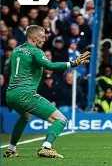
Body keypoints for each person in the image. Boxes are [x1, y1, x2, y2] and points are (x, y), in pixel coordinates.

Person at [3, 25, 90, 158]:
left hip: (10, 95)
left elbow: (6, 70)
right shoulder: (36, 51)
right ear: (33, 38)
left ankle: (11, 149)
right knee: (60, 119)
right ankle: (46, 147)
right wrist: (72, 64)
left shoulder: (16, 50)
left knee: (25, 116)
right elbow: (49, 66)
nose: (44, 40)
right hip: (25, 94)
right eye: (42, 37)